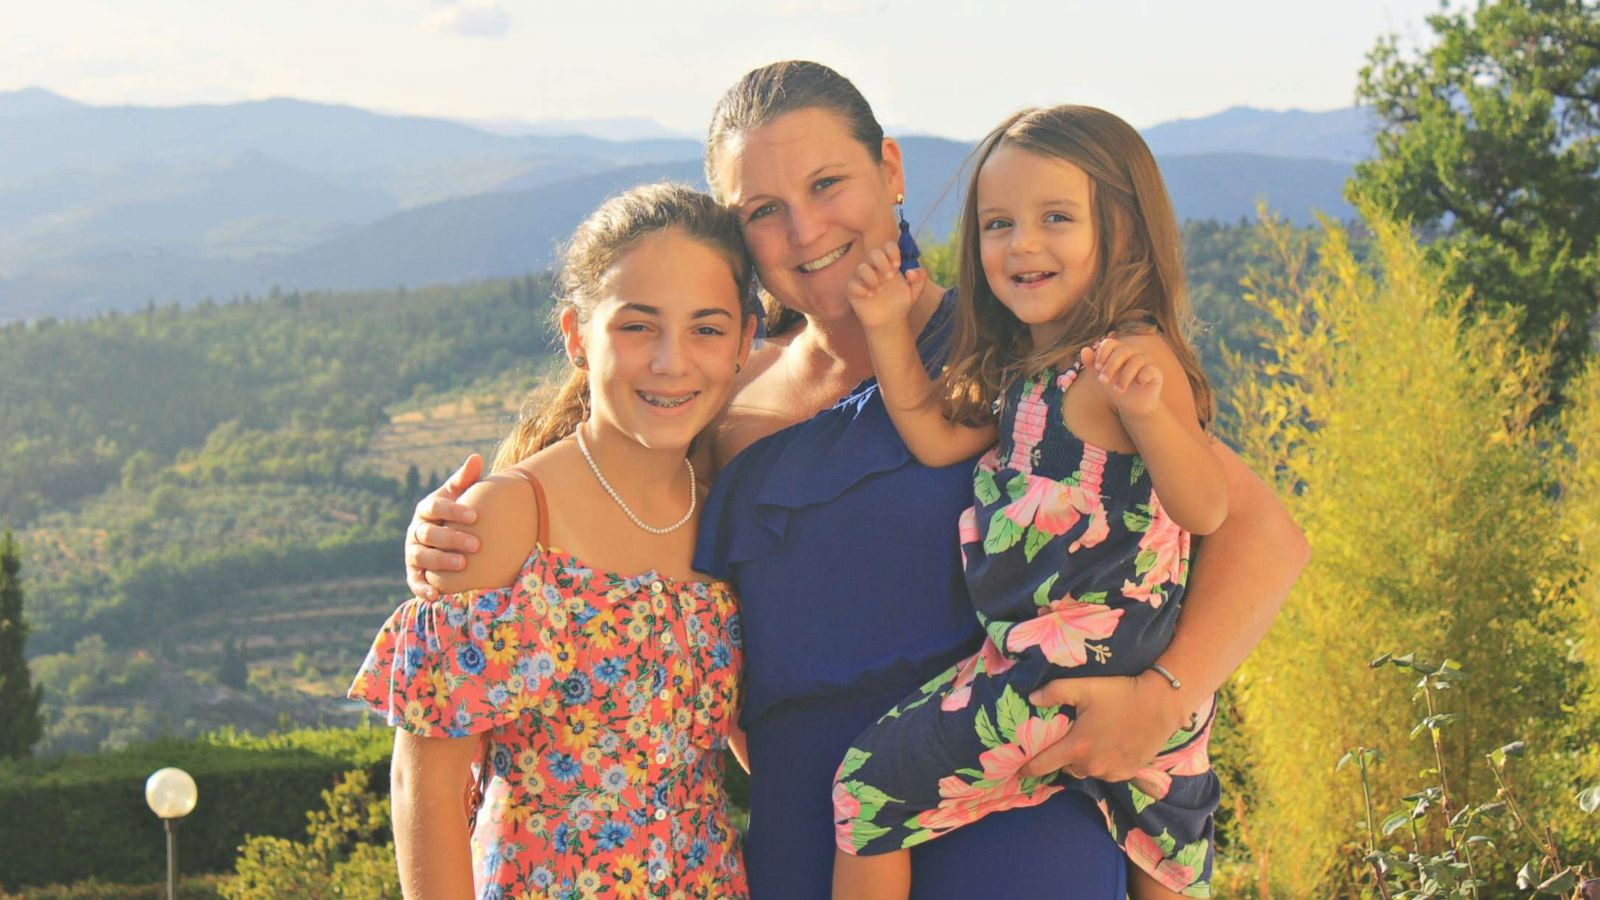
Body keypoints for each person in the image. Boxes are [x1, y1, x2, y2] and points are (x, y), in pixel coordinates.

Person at [405, 61, 1309, 899]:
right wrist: (458, 533)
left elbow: (1261, 534)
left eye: (827, 184)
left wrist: (1164, 699)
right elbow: (606, 541)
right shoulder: (718, 405)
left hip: (1017, 822)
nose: (804, 230)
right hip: (809, 847)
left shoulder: (1015, 355)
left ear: (890, 168)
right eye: (762, 209)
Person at [831, 105, 1224, 900]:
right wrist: (886, 328)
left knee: (865, 792)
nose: (1023, 244)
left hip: (1046, 676)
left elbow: (1207, 507)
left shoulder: (1132, 361)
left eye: (1056, 218)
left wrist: (1151, 413)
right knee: (1166, 860)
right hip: (1146, 682)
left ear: (1123, 231)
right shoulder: (1032, 369)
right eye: (998, 223)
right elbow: (937, 437)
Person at [349, 183, 757, 898]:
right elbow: (427, 786)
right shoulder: (511, 518)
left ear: (745, 343)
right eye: (637, 326)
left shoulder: (728, 511)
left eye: (707, 328)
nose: (671, 361)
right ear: (576, 336)